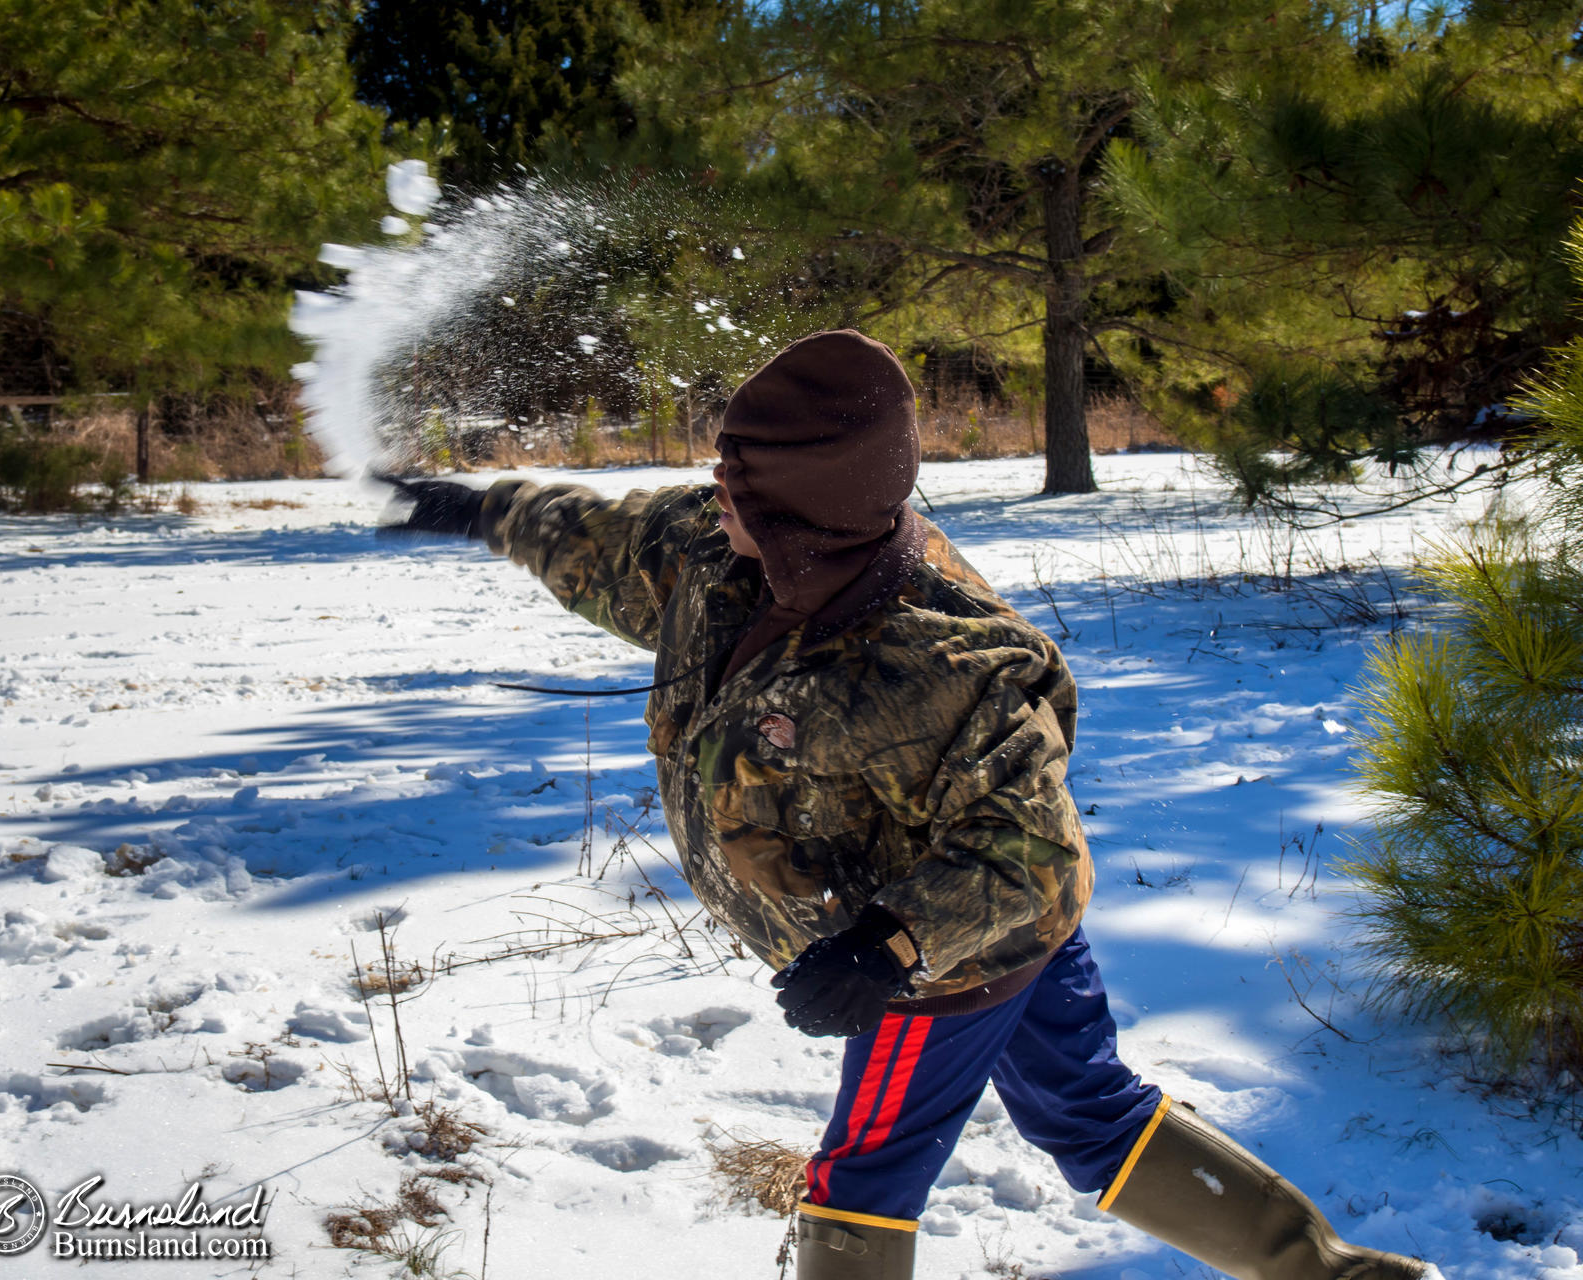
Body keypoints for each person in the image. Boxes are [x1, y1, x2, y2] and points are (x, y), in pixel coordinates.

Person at [378, 330, 1428, 1280]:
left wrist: (886, 947)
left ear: (803, 510)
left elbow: (1036, 849)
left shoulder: (941, 658)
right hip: (996, 935)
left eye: (741, 475)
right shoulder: (716, 549)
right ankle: (1328, 1274)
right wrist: (478, 508)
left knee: (859, 1178)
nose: (714, 482)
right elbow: (603, 537)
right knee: (1088, 1114)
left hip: (943, 956)